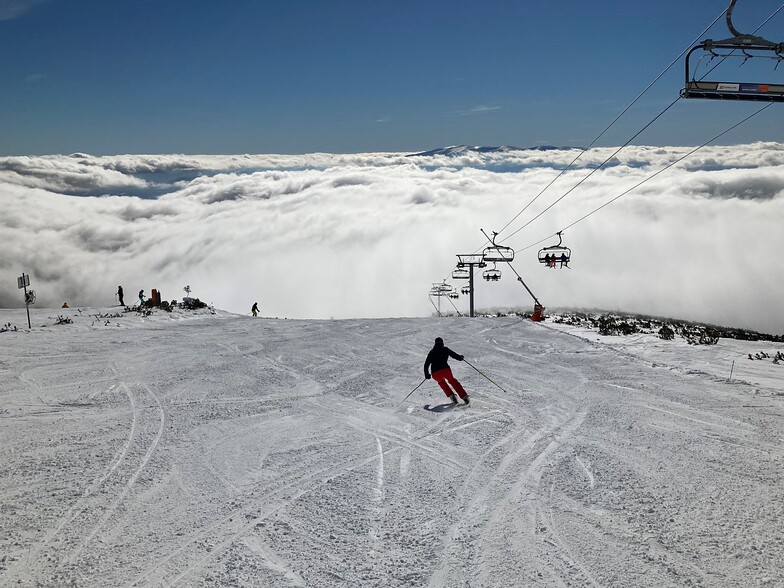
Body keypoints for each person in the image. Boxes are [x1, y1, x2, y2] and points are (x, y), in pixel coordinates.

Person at [424, 337, 469, 405]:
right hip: (445, 370)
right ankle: (464, 396)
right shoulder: (445, 349)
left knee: (442, 382)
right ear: (442, 343)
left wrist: (427, 374)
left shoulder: (432, 352)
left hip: (435, 373)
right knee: (452, 381)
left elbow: (426, 364)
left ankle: (452, 396)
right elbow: (455, 355)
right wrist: (460, 358)